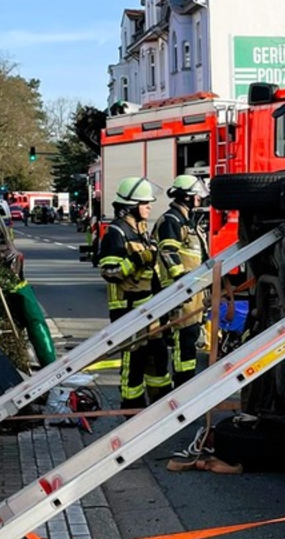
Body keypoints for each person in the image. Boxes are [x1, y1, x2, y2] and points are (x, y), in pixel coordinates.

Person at [96, 177, 171, 411]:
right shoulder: (116, 233)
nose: (149, 207)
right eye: (144, 203)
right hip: (128, 311)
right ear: (130, 206)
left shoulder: (141, 231)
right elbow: (110, 271)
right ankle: (132, 408)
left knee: (158, 359)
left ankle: (160, 405)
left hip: (149, 311)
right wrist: (137, 259)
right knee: (133, 364)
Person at [152, 175, 210, 387]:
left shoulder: (186, 221)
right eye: (197, 196)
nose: (200, 200)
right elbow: (168, 251)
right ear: (187, 197)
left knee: (191, 336)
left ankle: (187, 380)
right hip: (182, 292)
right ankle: (183, 383)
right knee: (184, 338)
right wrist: (181, 280)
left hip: (194, 291)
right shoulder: (171, 220)